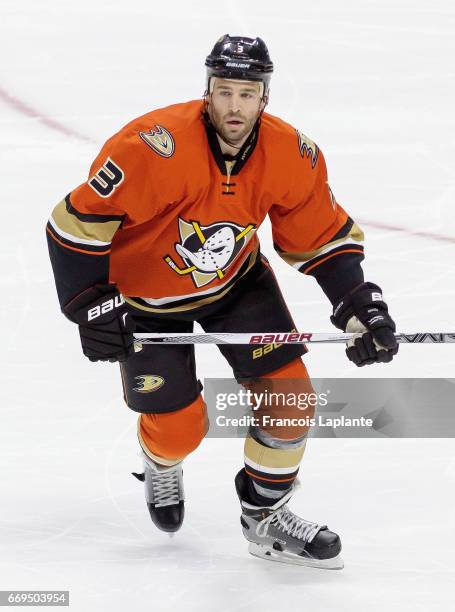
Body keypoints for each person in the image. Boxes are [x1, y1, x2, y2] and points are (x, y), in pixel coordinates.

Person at [46, 34, 398, 569]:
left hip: (235, 285)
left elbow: (321, 237)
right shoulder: (150, 145)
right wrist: (89, 305)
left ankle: (265, 517)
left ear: (265, 97)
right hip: (144, 299)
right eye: (224, 91)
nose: (235, 105)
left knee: (291, 399)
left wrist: (356, 302)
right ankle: (161, 463)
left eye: (247, 93)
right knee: (179, 429)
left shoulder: (291, 153)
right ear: (207, 92)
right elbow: (73, 226)